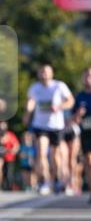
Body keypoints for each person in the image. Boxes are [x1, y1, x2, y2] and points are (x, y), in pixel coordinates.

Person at [23, 64, 74, 195]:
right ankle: (45, 181)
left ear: (51, 74)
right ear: (39, 74)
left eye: (46, 72)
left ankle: (56, 179)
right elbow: (31, 101)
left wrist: (59, 106)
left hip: (56, 125)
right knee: (41, 152)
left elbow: (70, 101)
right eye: (42, 72)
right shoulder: (35, 88)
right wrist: (28, 112)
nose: (44, 74)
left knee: (55, 155)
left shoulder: (59, 86)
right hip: (40, 125)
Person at [72, 66, 91, 203]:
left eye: (90, 75)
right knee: (89, 162)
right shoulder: (80, 96)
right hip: (86, 133)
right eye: (86, 76)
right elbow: (74, 119)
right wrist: (78, 114)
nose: (88, 78)